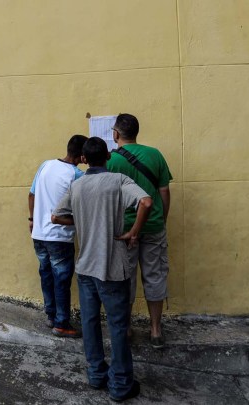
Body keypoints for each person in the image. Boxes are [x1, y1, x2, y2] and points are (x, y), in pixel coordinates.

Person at [52, 137, 152, 402]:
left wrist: (81, 222)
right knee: (118, 325)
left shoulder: (77, 185)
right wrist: (133, 232)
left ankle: (96, 374)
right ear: (108, 155)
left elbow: (55, 216)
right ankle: (120, 384)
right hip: (112, 268)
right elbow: (146, 202)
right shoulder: (118, 181)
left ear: (84, 159)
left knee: (90, 321)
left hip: (85, 267)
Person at [107, 113, 173, 349]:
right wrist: (160, 219)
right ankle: (155, 330)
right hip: (154, 225)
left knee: (126, 278)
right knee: (155, 276)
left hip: (124, 230)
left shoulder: (111, 160)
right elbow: (164, 192)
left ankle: (126, 328)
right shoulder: (154, 154)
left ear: (115, 134)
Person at [28, 134, 88, 338]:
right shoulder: (77, 175)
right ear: (82, 155)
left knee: (46, 274)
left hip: (39, 234)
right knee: (61, 279)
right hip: (59, 236)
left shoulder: (46, 165)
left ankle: (51, 314)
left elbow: (32, 194)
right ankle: (62, 323)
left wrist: (32, 220)